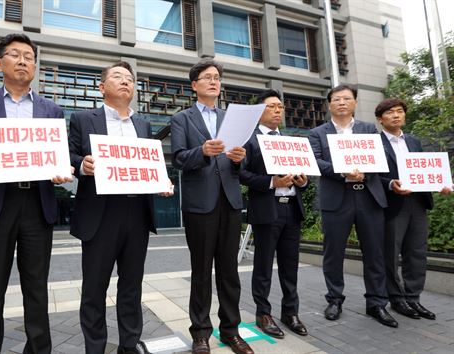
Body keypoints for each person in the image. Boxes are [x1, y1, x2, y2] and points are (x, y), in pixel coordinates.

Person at [0, 34, 72, 354]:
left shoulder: (52, 109)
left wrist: (62, 171)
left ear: (35, 66)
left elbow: (57, 155)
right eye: (15, 55)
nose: (23, 61)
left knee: (36, 289)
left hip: (37, 204)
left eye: (29, 56)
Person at [68, 61, 171, 354]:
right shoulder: (83, 118)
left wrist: (162, 181)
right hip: (100, 213)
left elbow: (149, 165)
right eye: (117, 76)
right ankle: (95, 347)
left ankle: (129, 344)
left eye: (129, 78)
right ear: (102, 87)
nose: (125, 81)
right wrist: (81, 164)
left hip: (136, 213)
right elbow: (69, 155)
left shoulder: (143, 124)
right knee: (94, 289)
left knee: (131, 287)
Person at [170, 58, 253, 354]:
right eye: (207, 77)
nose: (214, 81)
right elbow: (178, 158)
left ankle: (231, 330)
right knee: (202, 271)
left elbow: (243, 163)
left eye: (217, 77)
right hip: (199, 205)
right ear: (194, 85)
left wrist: (239, 157)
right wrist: (203, 151)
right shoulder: (182, 119)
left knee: (230, 271)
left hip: (230, 202)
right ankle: (201, 333)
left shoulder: (231, 117)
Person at [308, 84, 397, 327]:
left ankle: (377, 303)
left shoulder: (369, 129)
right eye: (336, 99)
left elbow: (380, 160)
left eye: (347, 99)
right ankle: (335, 299)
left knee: (375, 253)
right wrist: (343, 172)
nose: (342, 103)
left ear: (355, 103)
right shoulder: (318, 133)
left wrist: (364, 172)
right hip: (337, 197)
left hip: (368, 197)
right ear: (329, 104)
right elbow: (316, 162)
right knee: (333, 253)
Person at [239, 89, 308, 339]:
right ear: (259, 112)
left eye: (280, 106)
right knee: (263, 266)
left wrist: (301, 181)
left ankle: (290, 312)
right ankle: (263, 313)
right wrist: (271, 183)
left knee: (290, 267)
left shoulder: (291, 142)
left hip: (292, 210)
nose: (278, 110)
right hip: (267, 210)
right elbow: (242, 174)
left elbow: (305, 177)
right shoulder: (250, 140)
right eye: (272, 106)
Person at [376, 98, 451, 320]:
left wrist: (441, 183)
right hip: (392, 204)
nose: (396, 115)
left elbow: (426, 171)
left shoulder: (414, 141)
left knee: (417, 253)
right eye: (390, 113)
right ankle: (396, 299)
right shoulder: (374, 143)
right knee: (391, 254)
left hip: (418, 203)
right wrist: (390, 184)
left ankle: (413, 298)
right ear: (381, 119)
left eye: (400, 111)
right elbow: (371, 176)